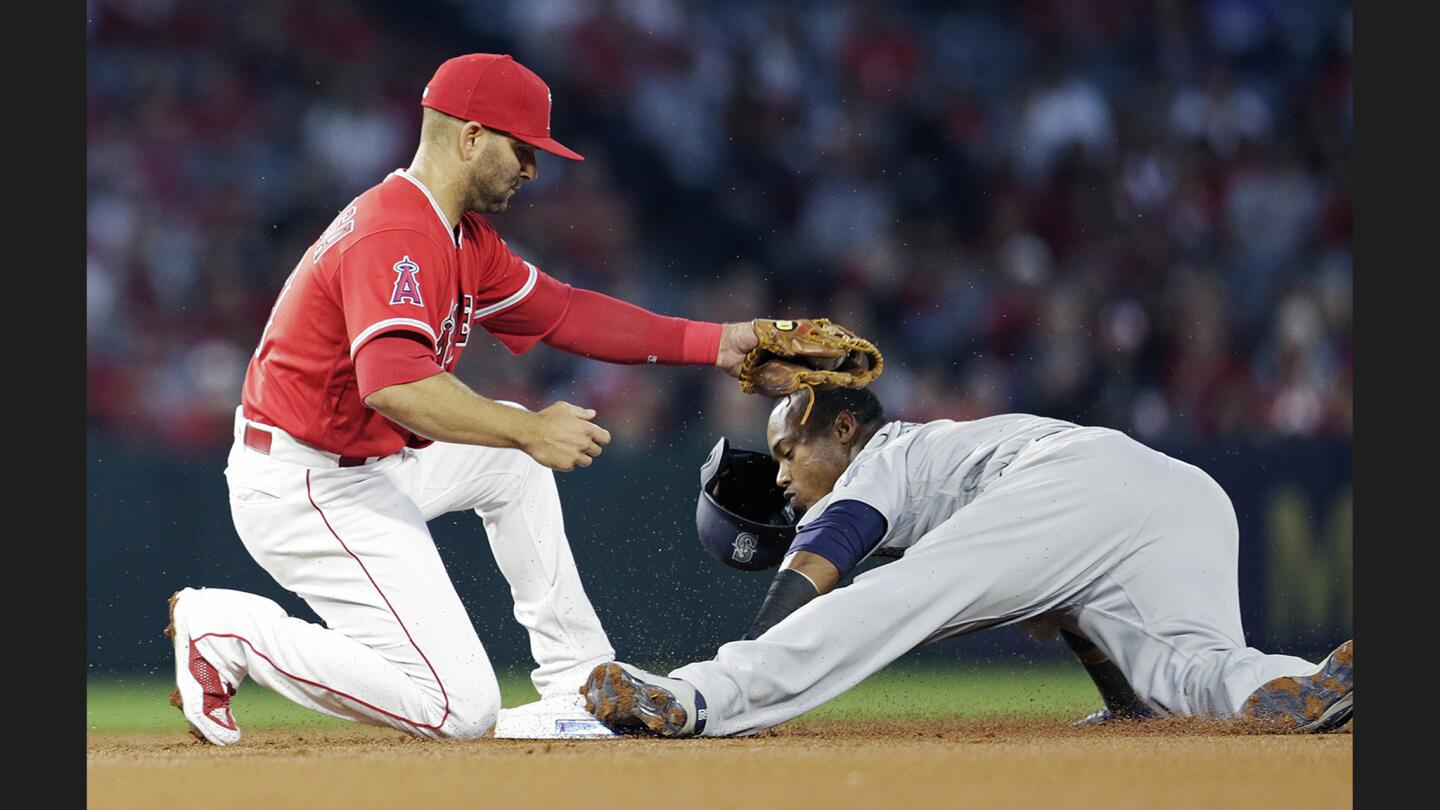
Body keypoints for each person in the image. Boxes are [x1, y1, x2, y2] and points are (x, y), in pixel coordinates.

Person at [163, 53, 769, 744]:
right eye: (523, 149)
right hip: (306, 485)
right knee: (459, 709)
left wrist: (721, 342)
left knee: (511, 452)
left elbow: (565, 312)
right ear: (471, 137)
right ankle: (228, 631)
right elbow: (393, 384)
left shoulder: (461, 236)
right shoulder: (397, 233)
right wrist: (530, 432)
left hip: (370, 464)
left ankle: (578, 681)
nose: (532, 169)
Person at [581, 387, 1354, 737]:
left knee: (889, 599)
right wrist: (1125, 705)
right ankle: (1305, 684)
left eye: (790, 451)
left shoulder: (885, 455)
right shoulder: (947, 463)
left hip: (1073, 479)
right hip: (1182, 494)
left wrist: (752, 651)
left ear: (845, 428)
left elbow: (825, 568)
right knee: (1192, 675)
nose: (781, 477)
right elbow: (1083, 606)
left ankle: (695, 698)